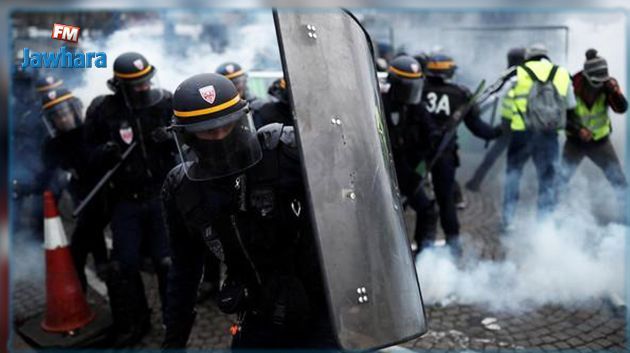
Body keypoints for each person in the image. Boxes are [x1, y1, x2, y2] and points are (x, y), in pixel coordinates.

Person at [161, 73, 337, 349]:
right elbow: (184, 270)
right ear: (187, 135)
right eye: (207, 131)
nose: (219, 137)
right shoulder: (183, 189)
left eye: (226, 126)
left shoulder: (282, 152)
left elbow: (347, 193)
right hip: (259, 310)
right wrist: (173, 341)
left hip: (324, 307)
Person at [84, 52, 176, 345]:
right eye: (135, 84)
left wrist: (170, 137)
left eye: (145, 81)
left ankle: (174, 321)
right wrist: (104, 152)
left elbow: (187, 138)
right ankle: (136, 323)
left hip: (160, 195)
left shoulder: (164, 102)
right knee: (125, 265)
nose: (143, 87)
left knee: (167, 263)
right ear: (120, 84)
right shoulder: (104, 110)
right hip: (125, 201)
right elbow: (88, 152)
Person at [420, 52, 502, 255]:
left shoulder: (417, 90)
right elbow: (478, 128)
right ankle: (453, 245)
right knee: (446, 200)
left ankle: (419, 244)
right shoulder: (460, 94)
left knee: (414, 200)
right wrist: (498, 132)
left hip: (415, 155)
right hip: (444, 157)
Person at [40, 88, 109, 291]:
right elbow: (46, 174)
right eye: (57, 116)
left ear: (75, 110)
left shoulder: (93, 130)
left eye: (65, 112)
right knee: (79, 248)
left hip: (108, 193)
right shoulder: (52, 144)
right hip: (84, 199)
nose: (63, 119)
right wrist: (25, 187)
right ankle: (82, 291)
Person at [501, 44, 576, 230]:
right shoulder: (561, 73)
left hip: (522, 133)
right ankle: (544, 223)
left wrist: (508, 125)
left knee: (513, 175)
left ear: (528, 57)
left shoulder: (518, 73)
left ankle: (508, 221)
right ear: (546, 56)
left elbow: (507, 102)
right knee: (547, 180)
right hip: (549, 135)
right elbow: (571, 105)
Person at [381, 55, 435, 254]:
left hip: (409, 173)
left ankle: (425, 254)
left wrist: (436, 139)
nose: (411, 93)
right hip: (385, 172)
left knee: (427, 209)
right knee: (388, 218)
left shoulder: (416, 107)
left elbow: (429, 131)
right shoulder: (379, 105)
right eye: (407, 87)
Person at [559, 49, 628, 203]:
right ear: (586, 77)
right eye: (596, 82)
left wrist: (615, 93)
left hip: (601, 142)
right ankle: (546, 219)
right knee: (560, 181)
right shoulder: (571, 87)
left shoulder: (608, 86)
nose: (599, 85)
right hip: (575, 143)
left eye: (603, 81)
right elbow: (562, 116)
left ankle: (626, 216)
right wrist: (578, 130)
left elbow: (622, 109)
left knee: (619, 180)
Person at [466, 47, 526, 192]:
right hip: (524, 124)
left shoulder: (512, 75)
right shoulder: (529, 75)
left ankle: (476, 181)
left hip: (508, 123)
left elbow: (494, 95)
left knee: (493, 156)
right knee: (521, 157)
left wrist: (477, 110)